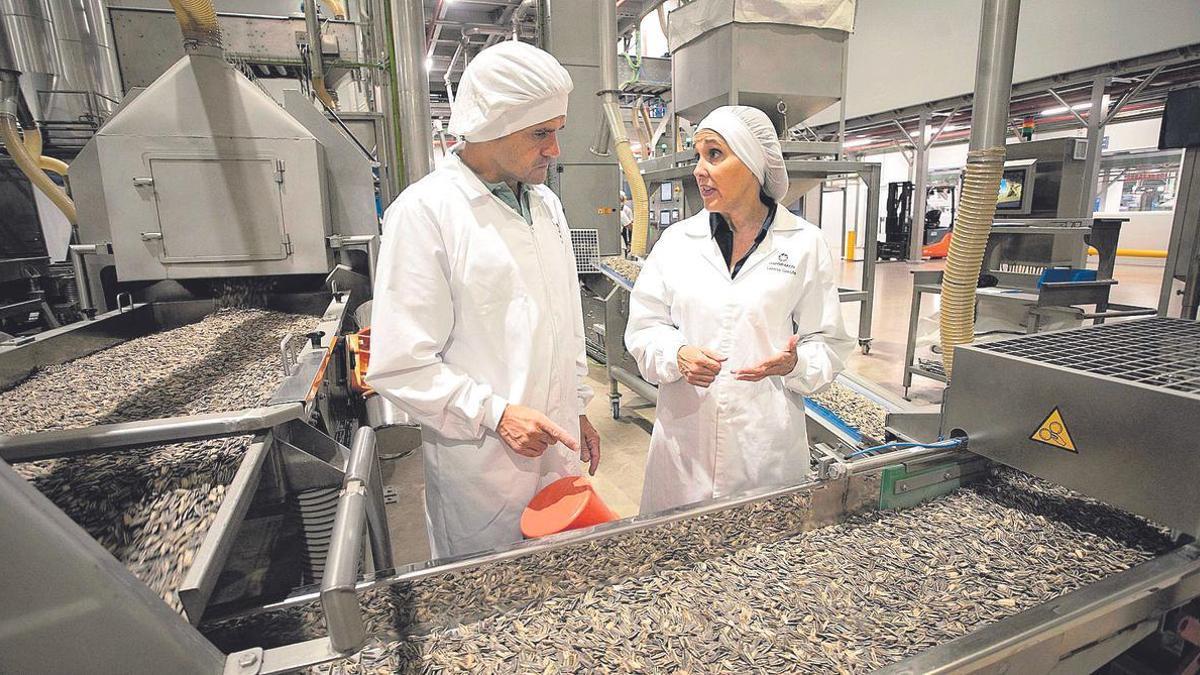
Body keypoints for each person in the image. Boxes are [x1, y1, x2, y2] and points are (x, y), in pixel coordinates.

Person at [366, 40, 601, 559]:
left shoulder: (546, 207)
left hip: (555, 448)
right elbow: (399, 366)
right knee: (494, 609)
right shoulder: (425, 213)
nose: (555, 150)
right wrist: (494, 414)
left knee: (568, 597)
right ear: (492, 125)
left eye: (557, 131)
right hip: (485, 466)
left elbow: (563, 322)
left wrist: (577, 405)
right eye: (542, 133)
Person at [625, 105, 853, 515]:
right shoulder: (678, 242)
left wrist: (795, 362)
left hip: (763, 442)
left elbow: (830, 342)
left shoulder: (803, 244)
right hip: (685, 441)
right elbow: (644, 327)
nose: (698, 170)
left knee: (760, 565)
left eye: (714, 154)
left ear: (752, 163)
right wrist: (676, 354)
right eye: (698, 155)